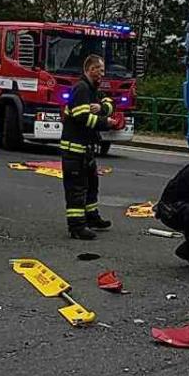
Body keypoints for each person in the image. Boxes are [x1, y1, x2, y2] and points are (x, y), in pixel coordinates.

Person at [59, 54, 123, 240]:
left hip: (86, 150)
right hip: (74, 150)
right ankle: (77, 227)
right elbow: (82, 118)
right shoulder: (81, 89)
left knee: (91, 185)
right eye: (100, 70)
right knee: (76, 190)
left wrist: (102, 109)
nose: (102, 74)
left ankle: (91, 217)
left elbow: (110, 103)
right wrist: (106, 122)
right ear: (90, 69)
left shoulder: (92, 89)